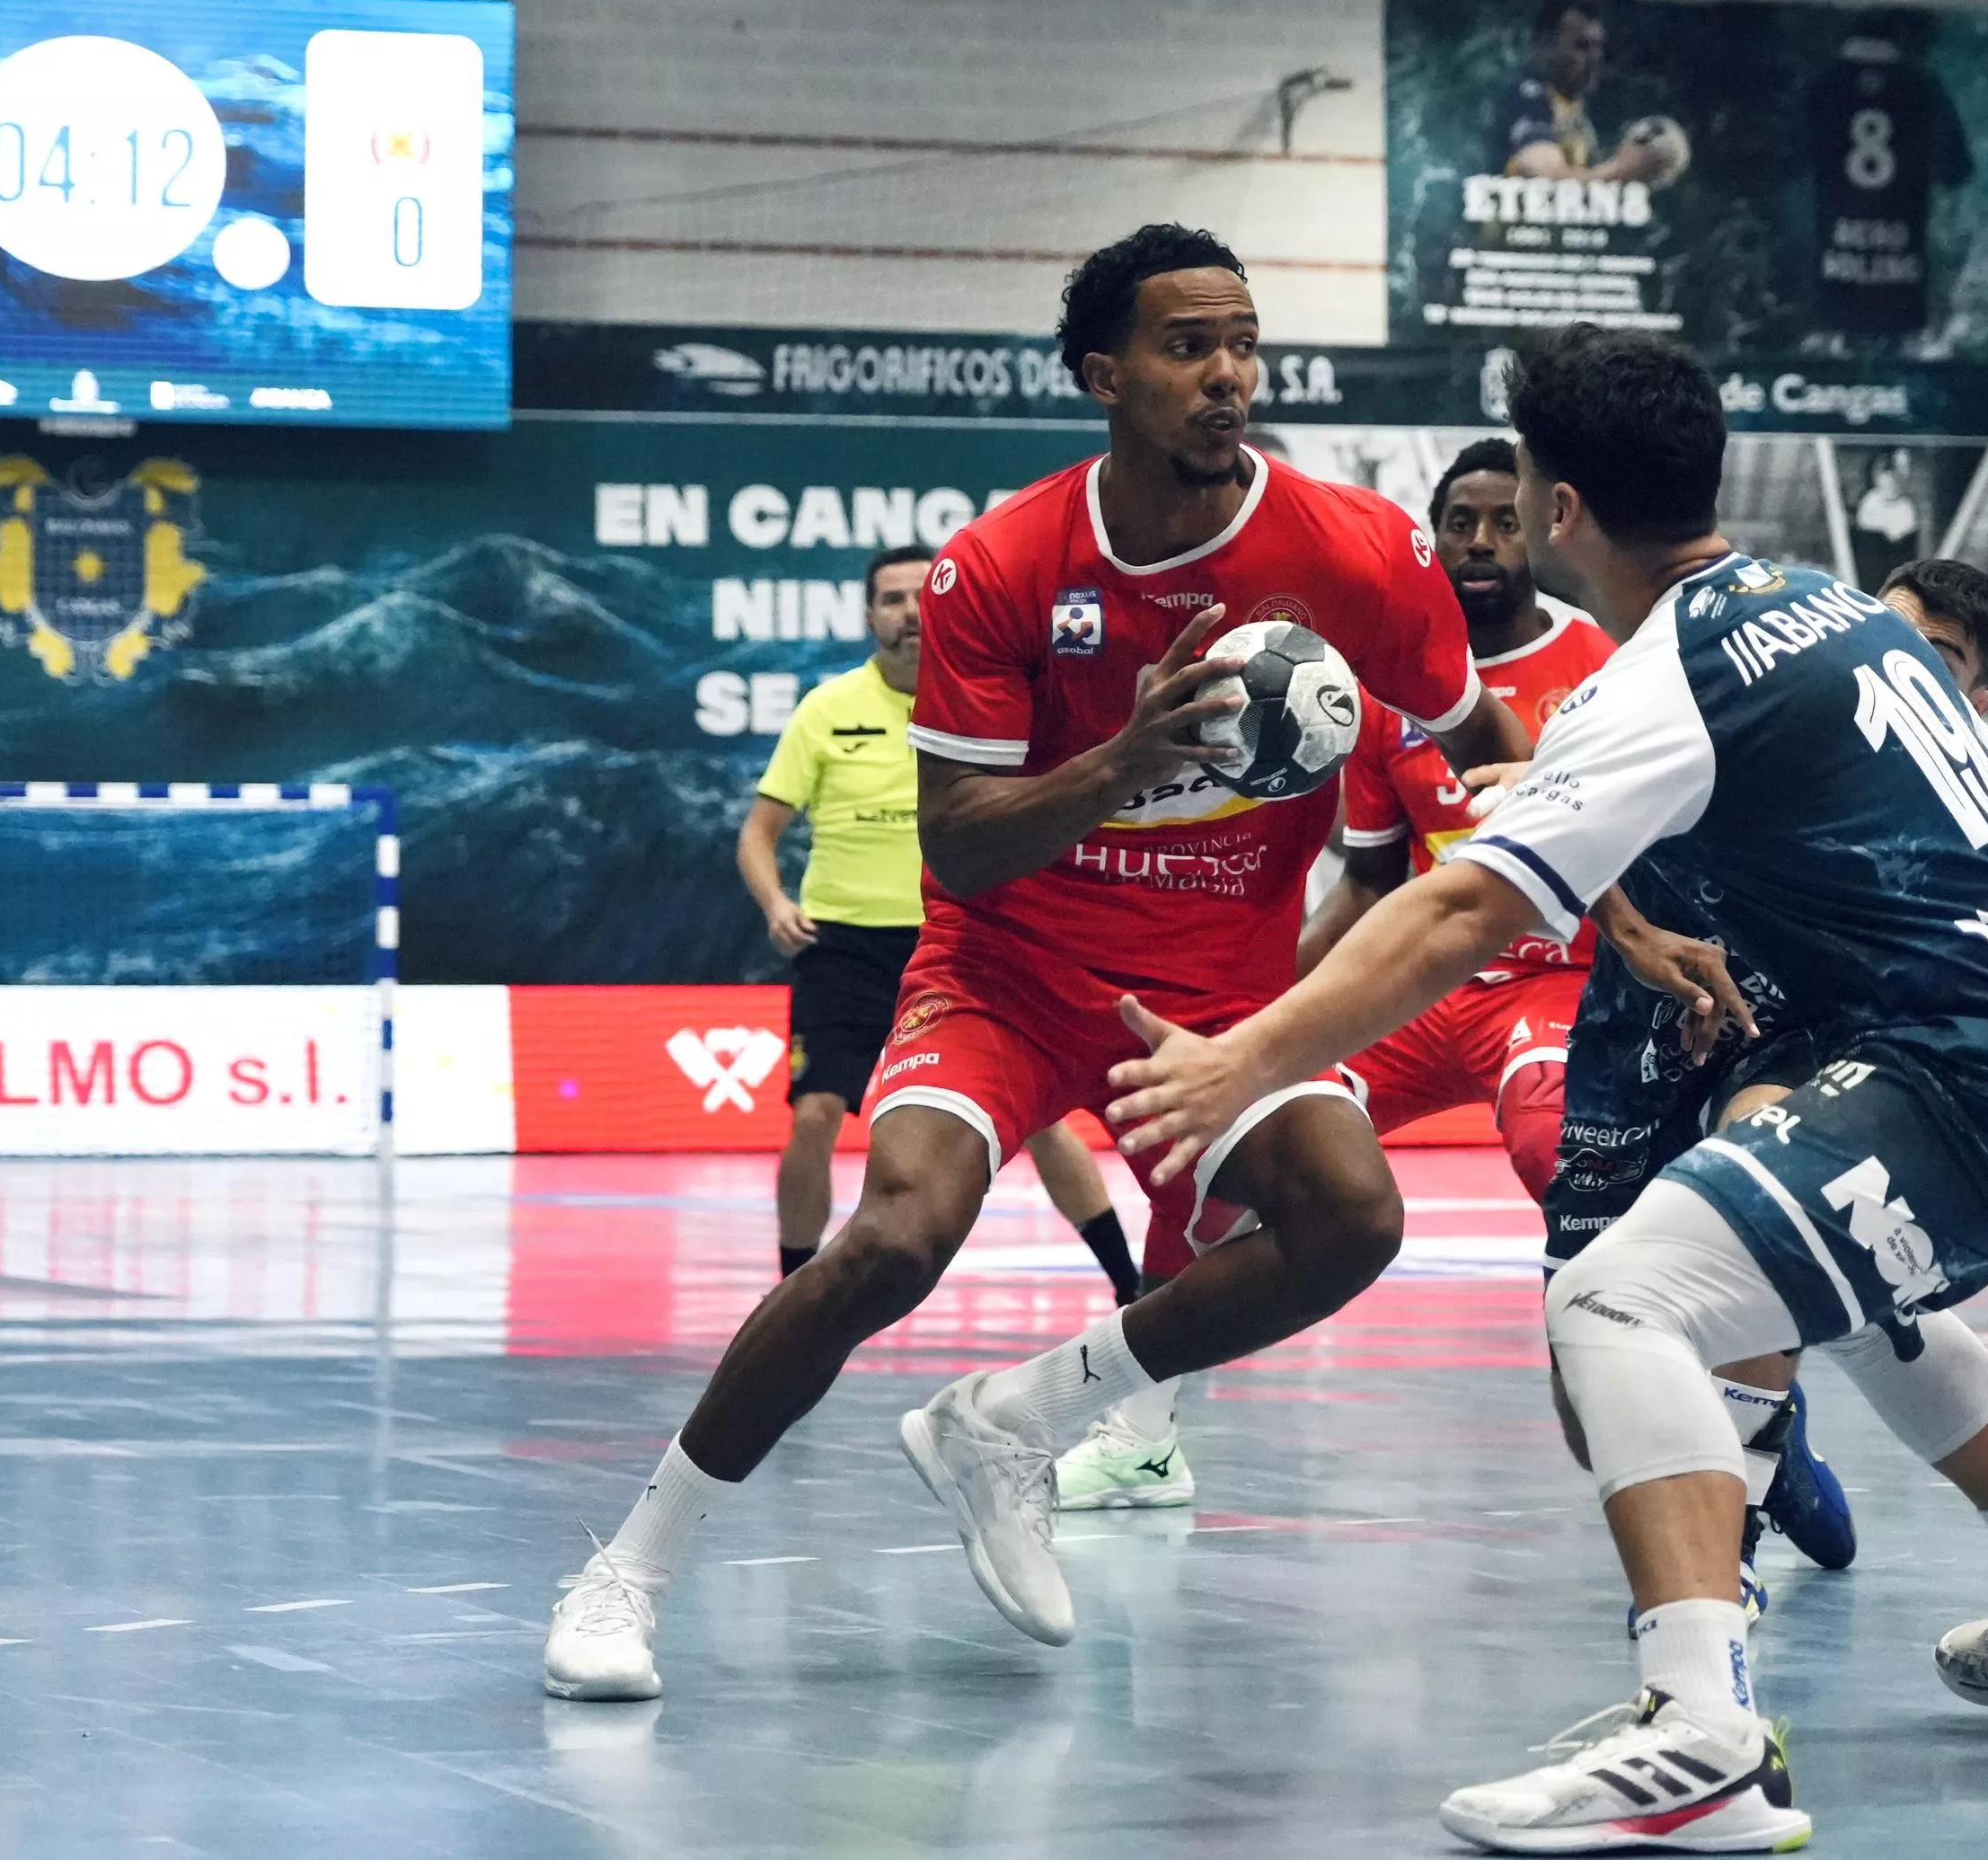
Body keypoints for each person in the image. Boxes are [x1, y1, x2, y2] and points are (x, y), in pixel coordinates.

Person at [1100, 333, 1988, 1853]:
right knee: (1832, 1287)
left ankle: (1702, 1733)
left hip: (1967, 1081)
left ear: (1562, 504)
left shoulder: (1661, 677)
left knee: (1617, 1300)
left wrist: (1243, 1055)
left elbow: (1464, 915)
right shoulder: (1830, 608)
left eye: (1516, 488)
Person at [540, 225, 1536, 1695]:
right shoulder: (1000, 567)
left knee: (1350, 1217)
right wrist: (1125, 757)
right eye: (1187, 346)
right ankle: (627, 1569)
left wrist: (1605, 896)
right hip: (1005, 972)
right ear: (1102, 374)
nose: (1226, 376)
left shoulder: (1353, 551)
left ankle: (1016, 1417)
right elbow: (961, 845)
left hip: (1215, 999)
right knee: (889, 1241)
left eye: (1243, 343)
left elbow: (1483, 743)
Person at [1049, 440, 1800, 1531]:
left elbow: (1658, 848)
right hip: (1423, 991)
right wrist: (1263, 1026)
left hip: (1561, 986)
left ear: (1541, 530)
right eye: (1461, 523)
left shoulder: (1601, 661)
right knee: (1217, 1161)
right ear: (1434, 534)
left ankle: (1743, 1435)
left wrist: (1655, 946)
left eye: (1504, 521)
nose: (1482, 542)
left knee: (1569, 1164)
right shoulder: (1372, 684)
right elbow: (1366, 876)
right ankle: (1139, 1443)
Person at [738, 544, 1144, 1298]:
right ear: (869, 616)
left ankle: (1128, 1282)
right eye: (891, 600)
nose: (909, 613)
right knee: (817, 1113)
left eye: (922, 596)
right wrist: (775, 903)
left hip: (960, 936)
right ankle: (791, 1294)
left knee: (1042, 1123)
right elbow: (758, 831)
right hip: (844, 947)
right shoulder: (825, 711)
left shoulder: (982, 702)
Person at [1498, 0, 1666, 185]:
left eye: (1598, 46)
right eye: (1581, 46)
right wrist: (1622, 169)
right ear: (1547, 47)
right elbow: (1543, 173)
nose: (1595, 58)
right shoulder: (1528, 99)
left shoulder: (1575, 110)